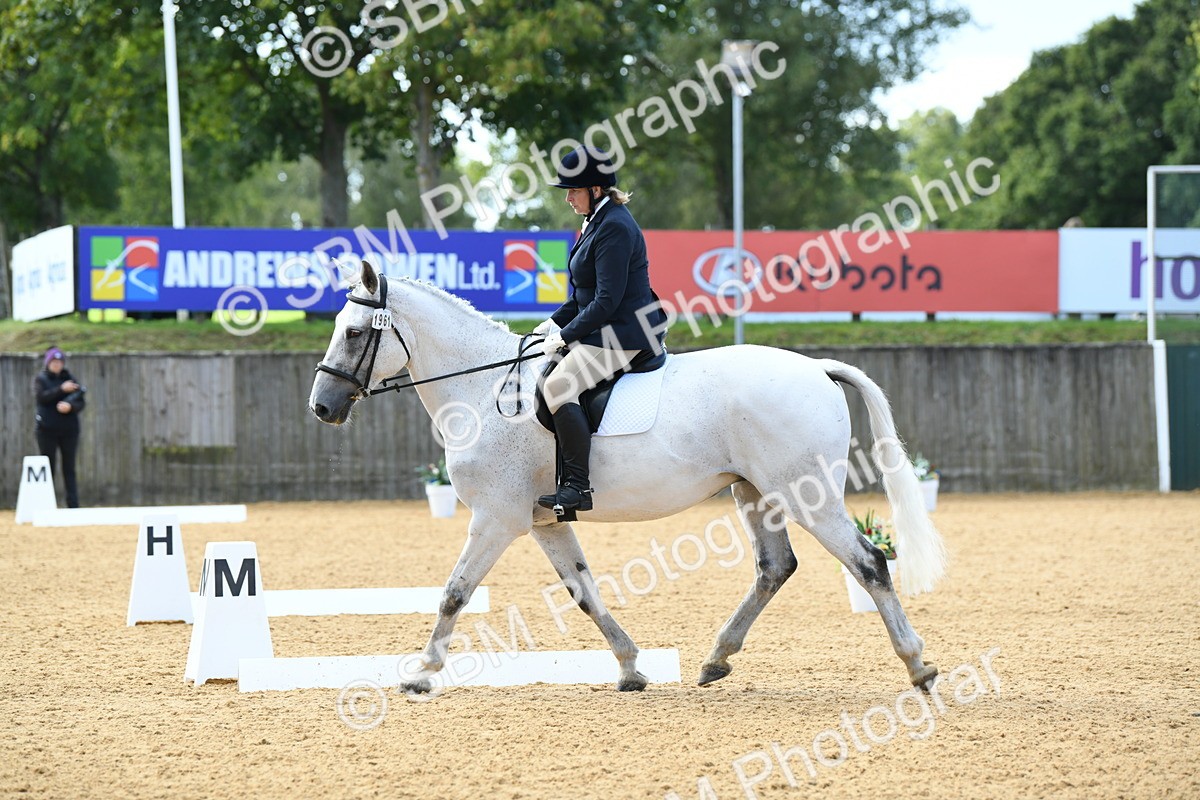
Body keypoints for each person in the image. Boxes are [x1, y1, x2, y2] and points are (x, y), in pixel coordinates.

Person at [537, 146, 667, 513]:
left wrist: (564, 337)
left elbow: (606, 301)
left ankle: (577, 487)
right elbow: (583, 296)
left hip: (625, 332)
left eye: (573, 190)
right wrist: (549, 326)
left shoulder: (615, 226)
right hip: (604, 327)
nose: (567, 198)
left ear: (595, 189)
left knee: (559, 386)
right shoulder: (596, 221)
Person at [33, 347, 85, 508]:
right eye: (54, 362)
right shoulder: (41, 379)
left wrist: (70, 406)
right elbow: (42, 398)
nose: (57, 365)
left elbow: (81, 401)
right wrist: (61, 389)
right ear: (48, 363)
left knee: (69, 468)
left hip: (69, 430)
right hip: (47, 431)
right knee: (48, 468)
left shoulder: (70, 378)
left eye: (60, 362)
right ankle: (46, 505)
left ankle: (73, 505)